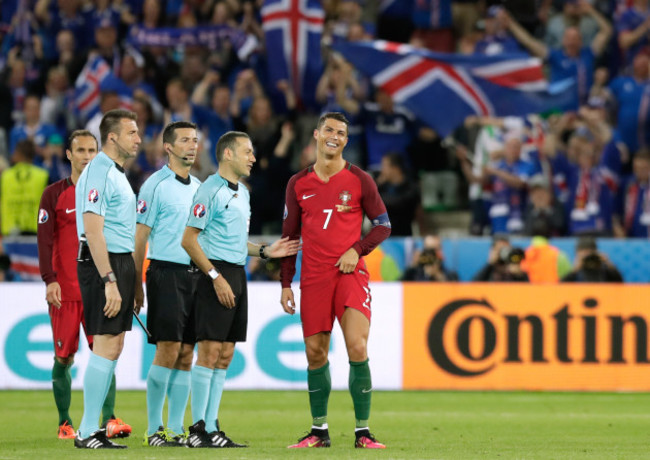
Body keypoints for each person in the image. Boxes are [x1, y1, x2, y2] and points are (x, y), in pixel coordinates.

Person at [180, 131, 300, 448]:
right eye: (247, 151)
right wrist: (215, 277)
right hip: (213, 275)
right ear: (228, 154)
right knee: (208, 351)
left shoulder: (243, 193)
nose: (253, 158)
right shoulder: (209, 190)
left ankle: (212, 426)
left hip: (235, 273)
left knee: (226, 354)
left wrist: (264, 252)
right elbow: (189, 240)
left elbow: (234, 242)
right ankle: (197, 430)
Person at [280, 112, 391, 449]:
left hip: (349, 275)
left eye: (341, 133)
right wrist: (285, 284)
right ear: (316, 134)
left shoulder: (360, 180)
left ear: (346, 140)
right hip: (313, 277)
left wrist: (357, 249)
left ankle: (363, 433)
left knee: (357, 346)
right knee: (316, 354)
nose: (334, 136)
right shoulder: (298, 183)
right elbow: (289, 238)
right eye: (329, 130)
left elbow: (384, 224)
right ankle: (319, 431)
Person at [37, 130, 131, 439]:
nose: (87, 155)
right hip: (65, 291)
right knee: (64, 357)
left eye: (92, 149)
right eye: (80, 150)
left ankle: (109, 418)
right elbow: (44, 241)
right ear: (69, 154)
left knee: (105, 352)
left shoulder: (103, 187)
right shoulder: (54, 194)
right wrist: (49, 280)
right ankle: (65, 422)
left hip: (94, 284)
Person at [73, 109, 140, 449]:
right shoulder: (98, 171)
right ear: (112, 137)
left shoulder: (113, 172)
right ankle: (86, 431)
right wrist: (110, 279)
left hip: (119, 261)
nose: (138, 139)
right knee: (104, 343)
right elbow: (93, 231)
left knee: (113, 344)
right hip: (104, 264)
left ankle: (92, 429)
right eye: (132, 132)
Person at [133, 121, 201, 447]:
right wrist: (136, 285)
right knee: (168, 350)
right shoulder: (154, 186)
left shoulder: (200, 187)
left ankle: (176, 429)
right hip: (165, 273)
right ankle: (154, 429)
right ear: (168, 147)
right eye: (185, 140)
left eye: (196, 140)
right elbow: (139, 239)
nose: (192, 145)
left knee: (187, 353)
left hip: (194, 276)